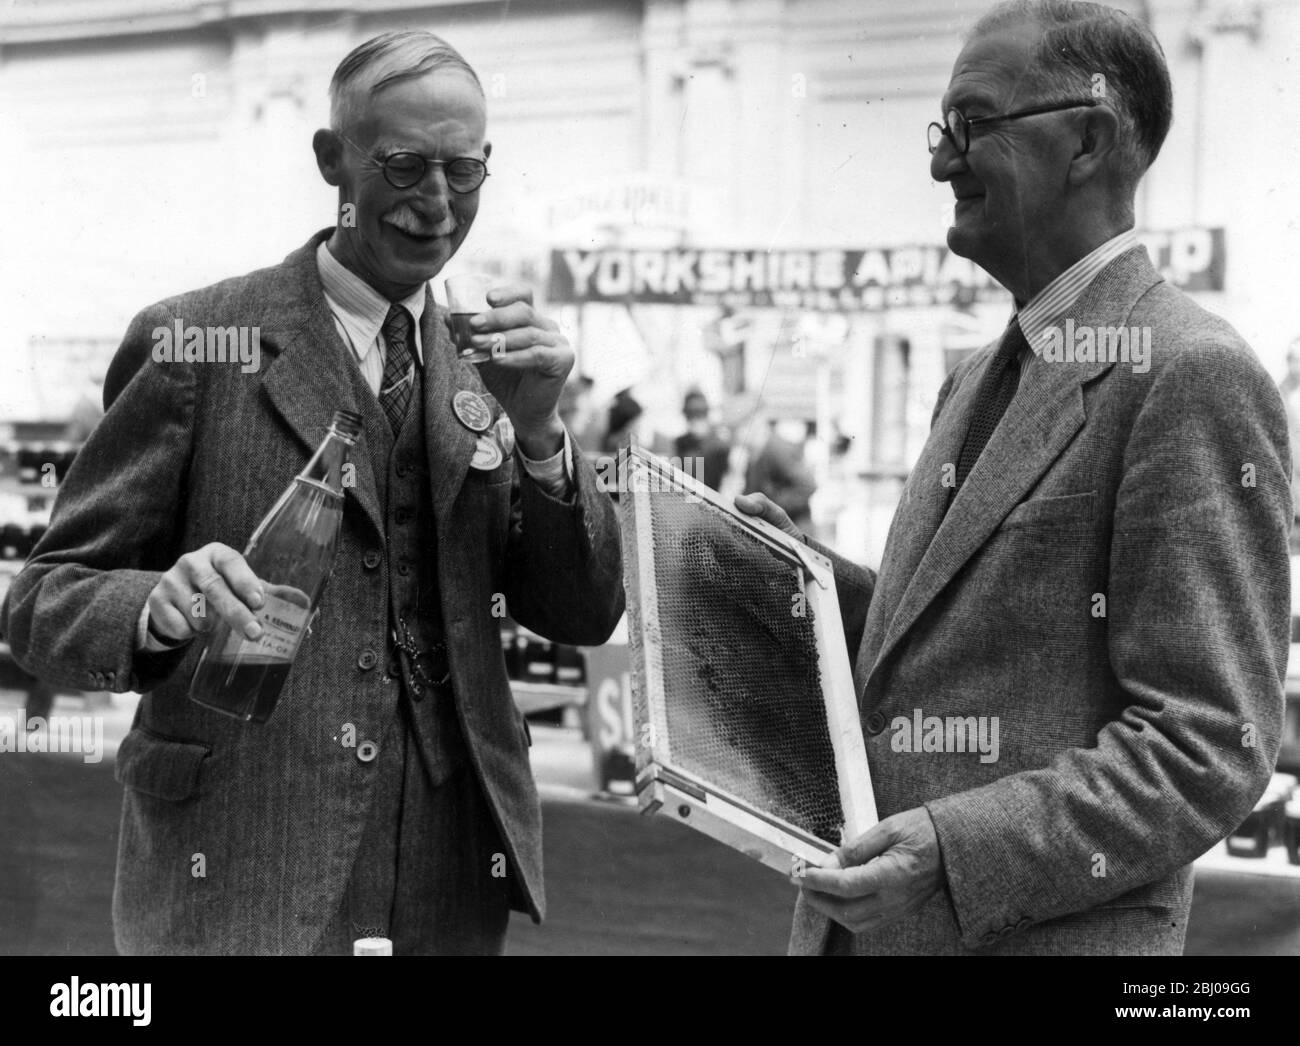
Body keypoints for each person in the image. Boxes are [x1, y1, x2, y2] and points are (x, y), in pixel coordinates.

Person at [0, 30, 624, 956]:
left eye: (465, 172)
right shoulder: (196, 342)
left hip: (449, 876)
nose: (438, 204)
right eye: (406, 166)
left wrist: (539, 439)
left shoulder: (492, 364)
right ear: (332, 160)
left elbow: (582, 612)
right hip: (244, 866)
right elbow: (43, 604)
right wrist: (157, 604)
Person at [738, 0, 1290, 956]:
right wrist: (807, 585)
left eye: (973, 125)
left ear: (1087, 139)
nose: (942, 161)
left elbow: (1206, 747)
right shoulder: (976, 377)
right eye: (942, 131)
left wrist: (954, 850)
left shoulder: (1191, 373)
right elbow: (962, 641)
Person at [744, 414, 817, 533]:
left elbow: (808, 485)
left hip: (795, 529)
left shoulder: (776, 449)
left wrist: (771, 506)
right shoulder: (759, 451)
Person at [672, 389, 731, 492]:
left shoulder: (720, 444)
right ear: (685, 413)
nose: (696, 417)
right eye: (691, 412)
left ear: (707, 412)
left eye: (700, 411)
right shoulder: (680, 443)